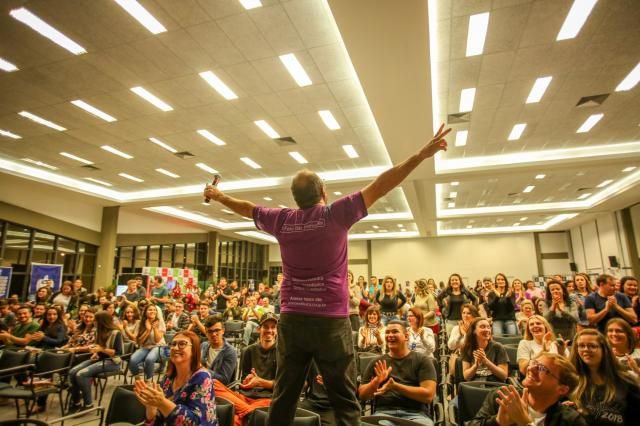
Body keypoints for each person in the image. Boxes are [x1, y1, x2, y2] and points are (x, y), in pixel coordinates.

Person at [204, 123, 450, 425]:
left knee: (284, 396)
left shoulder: (282, 219)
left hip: (293, 319)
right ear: (323, 192)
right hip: (330, 322)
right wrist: (420, 155)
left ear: (296, 198)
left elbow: (247, 208)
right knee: (344, 400)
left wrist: (219, 195)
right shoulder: (335, 213)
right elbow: (383, 183)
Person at [468, 352, 586, 426]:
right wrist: (497, 422)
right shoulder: (503, 397)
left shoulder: (571, 420)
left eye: (542, 368)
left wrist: (526, 423)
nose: (530, 368)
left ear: (562, 389)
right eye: (534, 363)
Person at [358, 320, 437, 425]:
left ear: (406, 336)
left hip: (416, 415)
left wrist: (395, 386)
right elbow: (362, 396)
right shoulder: (377, 362)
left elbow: (428, 396)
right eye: (387, 332)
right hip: (384, 414)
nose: (390, 335)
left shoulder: (422, 360)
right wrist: (376, 381)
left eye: (395, 331)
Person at [134, 330, 217, 425]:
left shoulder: (203, 377)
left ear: (194, 350)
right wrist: (151, 407)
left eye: (182, 344)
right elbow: (155, 421)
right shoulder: (169, 377)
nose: (175, 348)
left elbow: (194, 423)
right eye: (173, 344)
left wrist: (162, 403)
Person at [213, 313, 278, 424]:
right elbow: (244, 380)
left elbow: (283, 386)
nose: (269, 330)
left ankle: (249, 414)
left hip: (267, 400)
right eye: (266, 327)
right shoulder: (248, 351)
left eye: (273, 327)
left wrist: (261, 382)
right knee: (212, 383)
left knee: (235, 420)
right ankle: (252, 414)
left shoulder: (282, 353)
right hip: (244, 398)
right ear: (259, 329)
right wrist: (247, 380)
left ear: (277, 330)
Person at [569, 328, 640, 425]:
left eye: (592, 346)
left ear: (604, 350)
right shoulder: (571, 380)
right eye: (581, 346)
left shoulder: (625, 380)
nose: (586, 349)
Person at [69, 311, 124, 411]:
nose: (93, 322)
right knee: (72, 372)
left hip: (112, 362)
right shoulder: (97, 331)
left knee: (81, 374)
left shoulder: (116, 333)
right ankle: (76, 402)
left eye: (95, 320)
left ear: (102, 321)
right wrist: (96, 352)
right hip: (100, 359)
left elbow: (118, 353)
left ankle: (88, 404)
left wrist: (101, 349)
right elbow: (98, 347)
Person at [461, 317, 509, 383]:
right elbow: (466, 377)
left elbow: (504, 375)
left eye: (488, 327)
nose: (486, 330)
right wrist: (475, 366)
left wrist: (486, 361)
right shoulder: (467, 348)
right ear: (474, 331)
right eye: (482, 327)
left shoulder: (498, 347)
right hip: (474, 384)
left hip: (493, 383)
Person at [129, 304, 167, 381]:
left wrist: (155, 328)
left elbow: (157, 340)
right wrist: (148, 330)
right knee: (132, 360)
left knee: (149, 359)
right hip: (145, 347)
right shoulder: (140, 323)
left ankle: (148, 381)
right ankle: (138, 380)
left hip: (159, 346)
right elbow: (139, 341)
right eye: (150, 310)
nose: (153, 311)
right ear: (145, 312)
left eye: (154, 310)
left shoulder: (160, 322)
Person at [200, 315, 238, 386]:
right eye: (210, 331)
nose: (214, 334)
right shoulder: (204, 345)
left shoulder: (230, 352)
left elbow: (224, 380)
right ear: (206, 332)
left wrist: (202, 370)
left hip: (216, 388)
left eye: (217, 330)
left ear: (223, 330)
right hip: (201, 384)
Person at [447, 304, 480, 376]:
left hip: (475, 357)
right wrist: (460, 334)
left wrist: (465, 334)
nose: (465, 315)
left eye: (468, 313)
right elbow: (451, 346)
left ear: (474, 315)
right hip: (460, 357)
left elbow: (473, 345)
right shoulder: (456, 328)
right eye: (463, 313)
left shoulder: (478, 328)